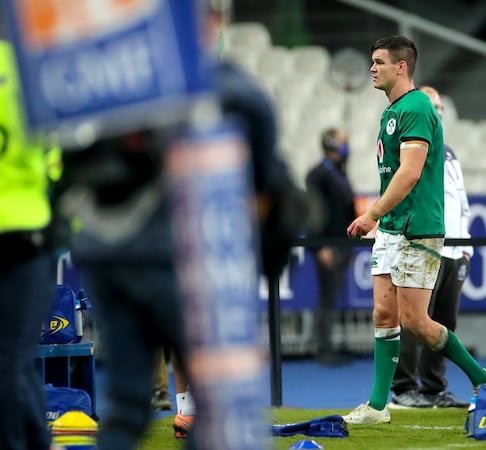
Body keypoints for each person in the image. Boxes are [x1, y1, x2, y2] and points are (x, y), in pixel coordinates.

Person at [60, 2, 292, 448]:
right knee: (217, 402)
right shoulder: (233, 89)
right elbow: (268, 193)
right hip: (180, 259)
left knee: (126, 402)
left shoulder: (119, 79)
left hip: (107, 256)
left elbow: (77, 166)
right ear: (214, 23)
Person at [343, 35, 486, 425]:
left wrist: (373, 214)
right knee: (383, 313)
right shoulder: (392, 110)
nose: (372, 68)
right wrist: (383, 221)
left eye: (379, 61)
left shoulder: (416, 107)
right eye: (372, 61)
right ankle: (379, 407)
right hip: (393, 228)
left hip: (417, 228)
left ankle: (485, 379)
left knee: (416, 321)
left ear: (402, 66)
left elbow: (411, 173)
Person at [389, 85, 473, 409]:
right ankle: (404, 388)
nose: (436, 112)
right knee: (413, 320)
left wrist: (467, 247)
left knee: (444, 322)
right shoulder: (409, 146)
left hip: (455, 248)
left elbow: (461, 201)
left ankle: (434, 388)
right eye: (431, 105)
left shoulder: (448, 152)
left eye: (439, 106)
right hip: (427, 244)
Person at [0, 39, 57, 450]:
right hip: (32, 232)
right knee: (12, 364)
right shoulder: (30, 66)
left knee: (8, 365)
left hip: (26, 236)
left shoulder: (28, 67)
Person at [305, 127, 356, 366]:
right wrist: (320, 246)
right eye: (341, 143)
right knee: (326, 298)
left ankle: (329, 345)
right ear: (330, 145)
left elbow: (347, 209)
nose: (346, 148)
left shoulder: (339, 173)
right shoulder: (317, 174)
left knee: (333, 297)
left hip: (342, 243)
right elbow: (314, 213)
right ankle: (323, 348)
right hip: (327, 245)